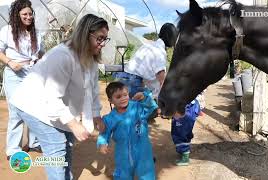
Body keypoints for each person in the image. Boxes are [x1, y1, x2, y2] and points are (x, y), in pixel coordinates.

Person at [10, 14, 108, 180]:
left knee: (68, 144)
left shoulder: (90, 58)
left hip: (55, 106)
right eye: (99, 38)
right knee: (56, 147)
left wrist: (96, 113)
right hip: (34, 105)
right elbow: (51, 97)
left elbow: (91, 88)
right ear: (85, 34)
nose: (103, 44)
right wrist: (74, 124)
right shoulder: (62, 56)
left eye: (106, 39)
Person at [0, 0, 44, 160]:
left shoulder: (36, 33)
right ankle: (12, 149)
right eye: (24, 14)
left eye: (30, 14)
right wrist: (10, 62)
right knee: (16, 112)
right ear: (17, 15)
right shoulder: (7, 31)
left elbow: (40, 54)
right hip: (14, 74)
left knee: (34, 110)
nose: (28, 17)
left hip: (32, 74)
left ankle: (33, 142)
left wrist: (41, 62)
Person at [97, 81, 157, 180]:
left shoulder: (137, 107)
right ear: (110, 100)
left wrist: (144, 97)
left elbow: (151, 108)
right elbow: (104, 132)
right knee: (123, 175)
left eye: (125, 95)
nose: (123, 98)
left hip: (143, 149)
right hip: (123, 152)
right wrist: (102, 143)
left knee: (147, 173)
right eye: (118, 97)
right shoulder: (109, 118)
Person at [113, 23, 178, 100]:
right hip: (132, 81)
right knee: (137, 109)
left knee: (123, 109)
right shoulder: (160, 51)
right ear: (172, 38)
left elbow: (142, 71)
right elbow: (162, 81)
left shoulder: (148, 45)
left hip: (122, 77)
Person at [171, 99, 200, 166]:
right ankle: (183, 152)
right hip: (189, 112)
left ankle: (185, 158)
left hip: (183, 114)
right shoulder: (194, 99)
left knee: (180, 135)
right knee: (186, 133)